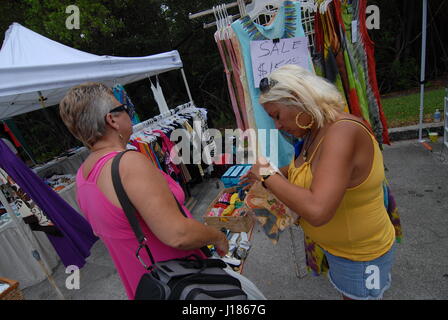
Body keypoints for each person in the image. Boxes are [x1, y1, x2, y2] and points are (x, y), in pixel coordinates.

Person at [58, 82, 230, 300]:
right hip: (182, 283)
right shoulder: (127, 164)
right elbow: (178, 234)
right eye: (124, 109)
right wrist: (216, 236)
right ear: (112, 119)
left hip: (148, 287)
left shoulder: (83, 176)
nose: (129, 115)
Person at [240, 65, 396, 300]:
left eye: (277, 116)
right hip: (339, 251)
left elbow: (318, 210)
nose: (278, 126)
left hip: (361, 255)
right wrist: (270, 174)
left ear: (297, 99)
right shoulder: (314, 130)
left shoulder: (342, 132)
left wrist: (267, 175)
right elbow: (305, 171)